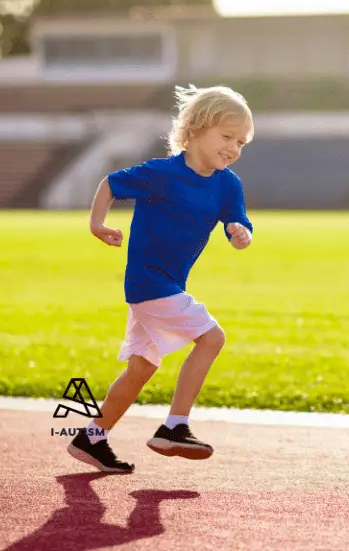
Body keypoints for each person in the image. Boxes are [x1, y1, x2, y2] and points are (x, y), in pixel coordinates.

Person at [67, 85, 254, 473]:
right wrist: (97, 223)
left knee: (141, 368)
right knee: (212, 337)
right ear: (196, 129)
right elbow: (111, 184)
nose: (234, 148)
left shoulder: (227, 184)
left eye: (241, 142)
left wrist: (240, 232)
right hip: (149, 283)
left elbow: (238, 225)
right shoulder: (162, 174)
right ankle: (175, 426)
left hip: (167, 286)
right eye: (226, 137)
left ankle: (92, 438)